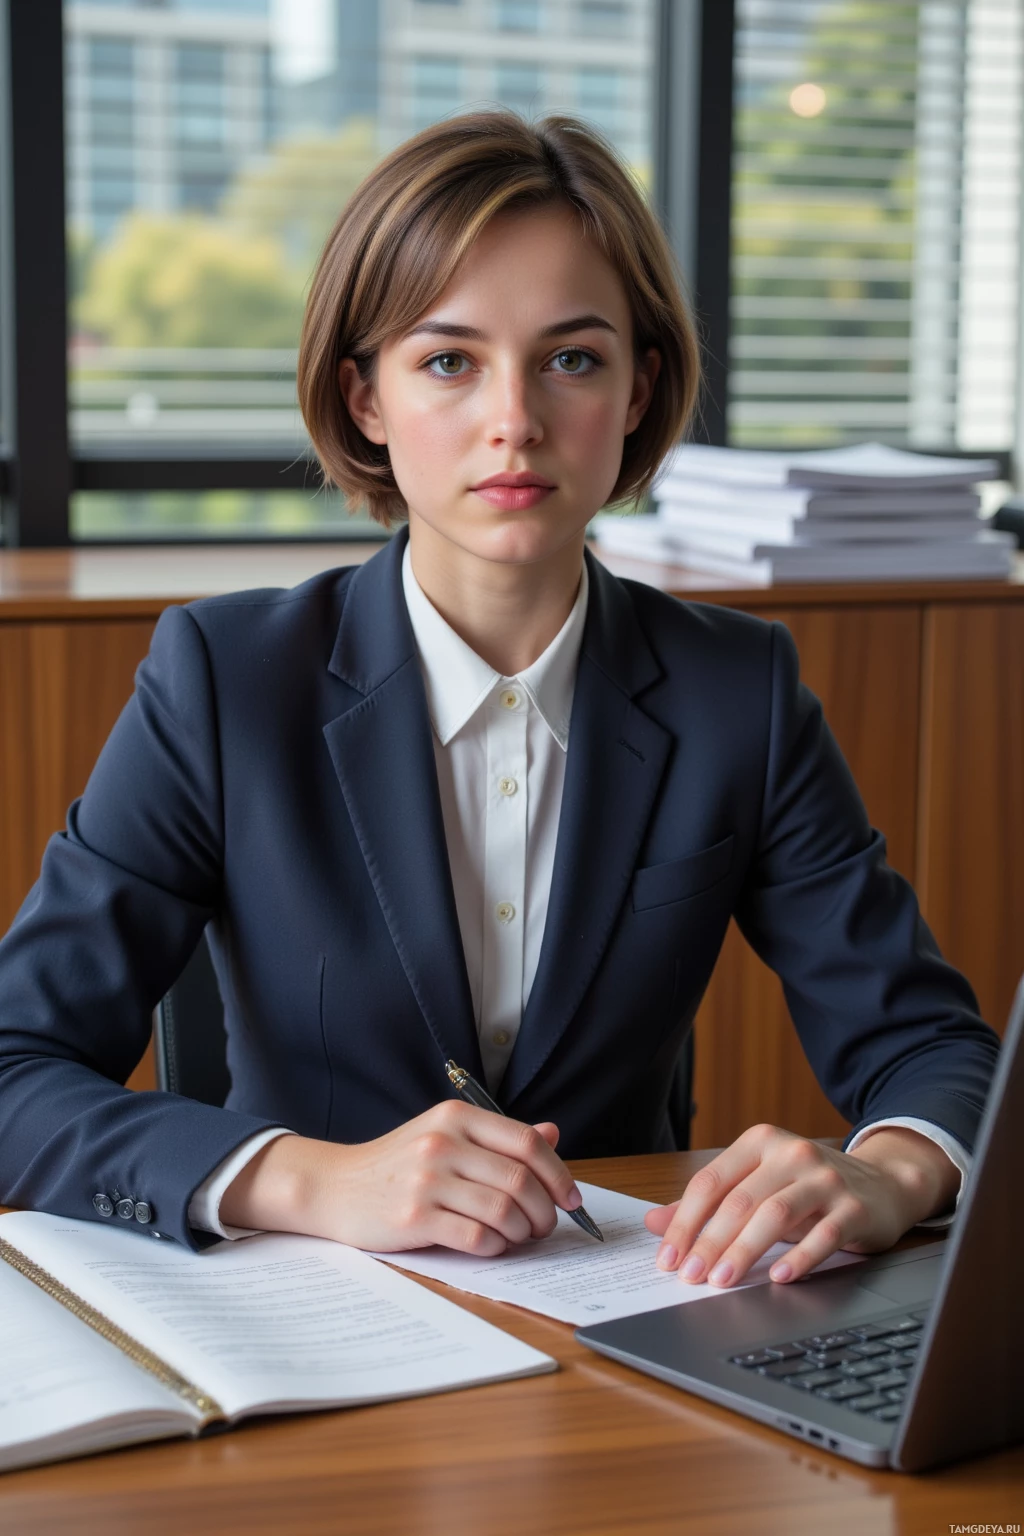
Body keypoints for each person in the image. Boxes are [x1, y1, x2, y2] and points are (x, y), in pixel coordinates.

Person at [0, 111, 1000, 1294]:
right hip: (308, 1320)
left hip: (621, 1329)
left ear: (640, 389)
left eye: (572, 358)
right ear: (364, 397)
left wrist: (887, 1169)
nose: (513, 419)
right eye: (448, 361)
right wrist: (316, 1179)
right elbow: (18, 1067)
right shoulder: (223, 680)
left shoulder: (743, 693)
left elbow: (936, 1050)